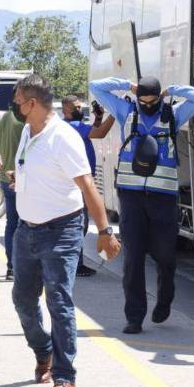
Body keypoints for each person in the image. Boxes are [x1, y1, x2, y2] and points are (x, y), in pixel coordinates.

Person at [10, 74, 121, 387]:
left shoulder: (64, 137)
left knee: (59, 302)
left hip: (60, 231)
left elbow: (88, 186)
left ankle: (64, 376)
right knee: (23, 301)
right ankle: (43, 350)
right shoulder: (28, 131)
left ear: (32, 103)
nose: (15, 106)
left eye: (18, 101)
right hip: (25, 231)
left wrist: (105, 232)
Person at [89, 76, 194, 334]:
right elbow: (95, 87)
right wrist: (128, 86)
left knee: (165, 256)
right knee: (132, 257)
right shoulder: (126, 111)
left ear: (159, 98)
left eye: (152, 100)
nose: (147, 105)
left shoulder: (173, 114)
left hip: (163, 197)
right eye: (142, 100)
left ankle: (165, 300)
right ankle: (134, 316)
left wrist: (172, 90)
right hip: (131, 196)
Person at [61, 95, 115, 277]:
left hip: (77, 180)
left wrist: (99, 117)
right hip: (78, 182)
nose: (79, 109)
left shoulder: (70, 125)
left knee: (79, 224)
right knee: (79, 224)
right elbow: (99, 133)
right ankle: (76, 265)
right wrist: (114, 114)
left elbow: (94, 129)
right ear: (65, 111)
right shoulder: (72, 126)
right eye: (75, 107)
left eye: (80, 106)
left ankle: (75, 263)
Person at [0, 102, 24, 280]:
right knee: (27, 225)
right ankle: (24, 268)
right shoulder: (28, 119)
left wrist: (7, 153)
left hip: (5, 177)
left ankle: (11, 268)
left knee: (12, 224)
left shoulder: (3, 119)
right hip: (24, 179)